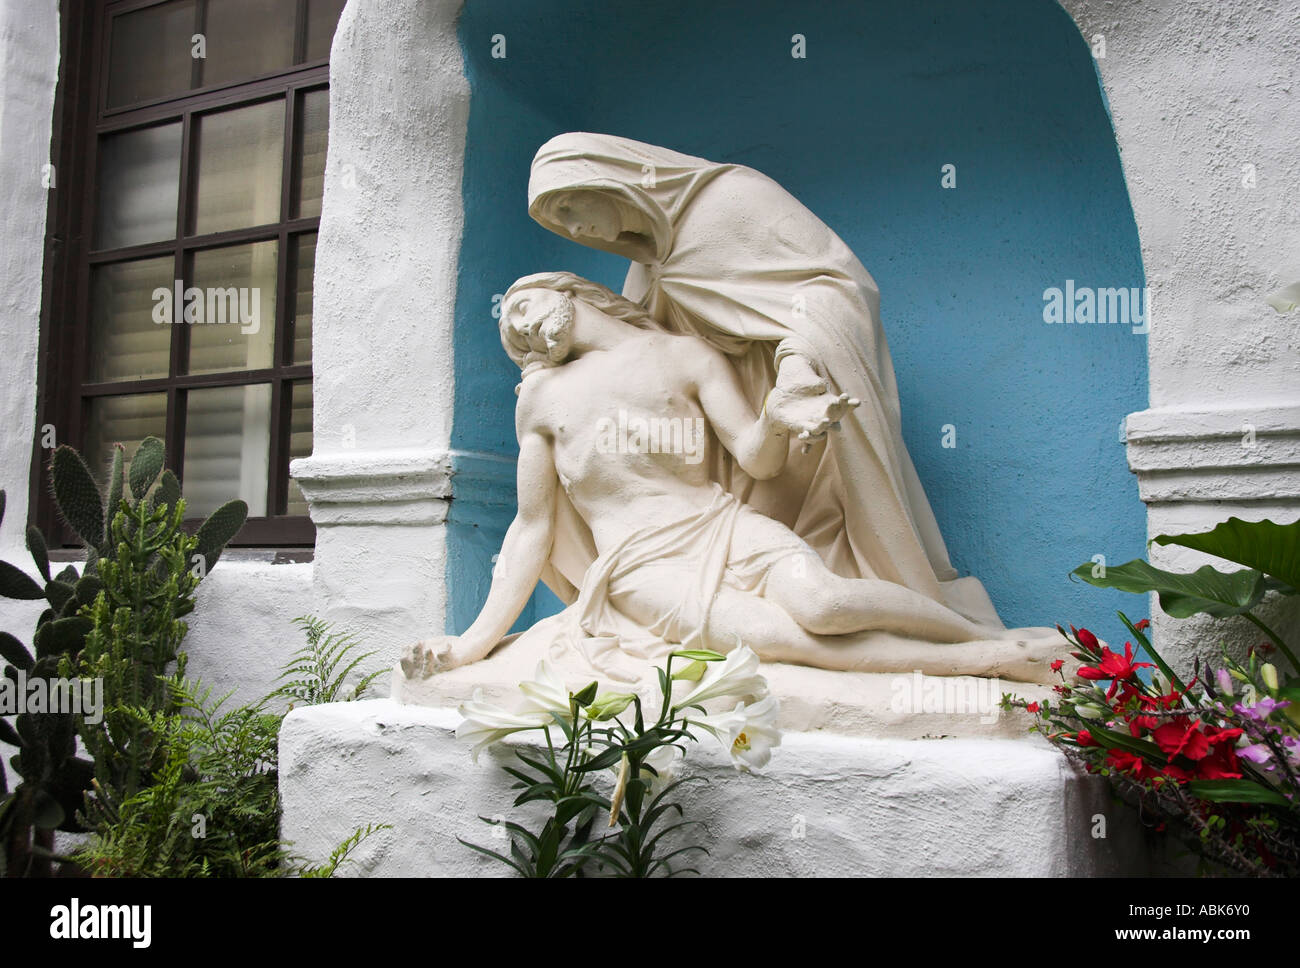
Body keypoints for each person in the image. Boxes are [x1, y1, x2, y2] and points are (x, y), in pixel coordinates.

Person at [406, 272, 1061, 684]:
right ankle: (985, 662)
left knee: (823, 603)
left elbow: (755, 458)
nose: (517, 321)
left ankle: (991, 638)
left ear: (570, 289)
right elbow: (532, 526)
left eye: (523, 302)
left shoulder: (684, 355)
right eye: (510, 330)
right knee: (778, 640)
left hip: (721, 522)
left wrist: (777, 419)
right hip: (640, 567)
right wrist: (470, 645)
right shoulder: (542, 400)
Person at [526, 133, 1005, 630]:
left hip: (807, 399)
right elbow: (649, 362)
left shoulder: (733, 199)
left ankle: (950, 635)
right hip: (736, 432)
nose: (575, 226)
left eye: (569, 206)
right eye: (560, 223)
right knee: (764, 580)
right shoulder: (646, 270)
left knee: (826, 550)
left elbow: (835, 288)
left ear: (608, 179)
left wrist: (796, 366)